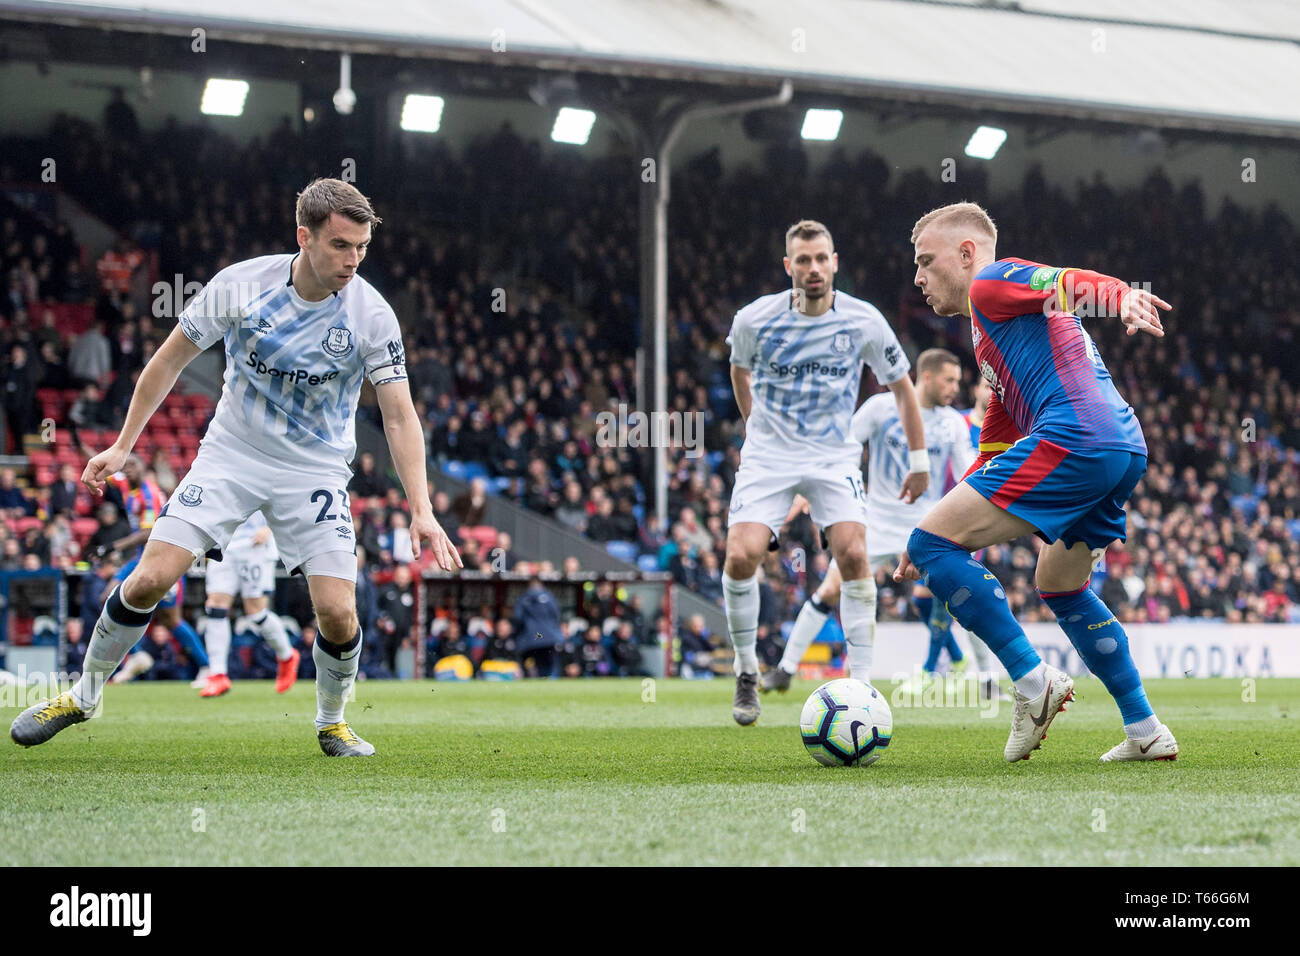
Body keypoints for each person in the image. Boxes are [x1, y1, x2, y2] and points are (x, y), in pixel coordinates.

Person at [11, 178, 462, 757]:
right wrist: (125, 445)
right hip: (231, 454)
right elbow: (168, 361)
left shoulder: (373, 316)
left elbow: (399, 418)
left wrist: (420, 509)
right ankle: (83, 694)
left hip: (315, 470)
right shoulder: (240, 286)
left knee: (338, 611)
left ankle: (332, 722)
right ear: (305, 236)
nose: (354, 260)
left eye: (362, 248)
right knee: (150, 577)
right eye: (341, 246)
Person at [896, 201, 1177, 762]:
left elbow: (1065, 281)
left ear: (967, 253)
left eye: (926, 262)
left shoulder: (992, 283)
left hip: (1075, 437)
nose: (919, 277)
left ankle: (1031, 681)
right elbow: (994, 451)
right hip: (1121, 447)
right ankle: (1145, 729)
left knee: (933, 544)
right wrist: (931, 535)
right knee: (1060, 583)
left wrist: (1120, 296)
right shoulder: (992, 344)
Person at [722, 219, 927, 725]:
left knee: (855, 554)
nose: (813, 268)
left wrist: (920, 462)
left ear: (834, 262)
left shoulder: (863, 321)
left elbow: (902, 388)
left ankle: (862, 686)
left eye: (821, 259)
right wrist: (753, 429)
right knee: (741, 556)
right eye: (803, 260)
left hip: (834, 455)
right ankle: (747, 669)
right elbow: (738, 370)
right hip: (770, 456)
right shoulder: (754, 320)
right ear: (788, 266)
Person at [764, 349, 1004, 699]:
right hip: (875, 522)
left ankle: (987, 680)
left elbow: (969, 467)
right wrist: (813, 491)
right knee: (830, 589)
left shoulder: (952, 422)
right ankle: (785, 670)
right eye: (949, 380)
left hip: (928, 526)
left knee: (963, 593)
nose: (956, 387)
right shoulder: (881, 407)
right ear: (926, 377)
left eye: (957, 380)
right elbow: (843, 446)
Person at [198, 511, 300, 698]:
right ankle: (217, 674)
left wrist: (270, 528)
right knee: (215, 607)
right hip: (224, 544)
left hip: (255, 545)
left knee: (256, 612)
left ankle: (287, 656)